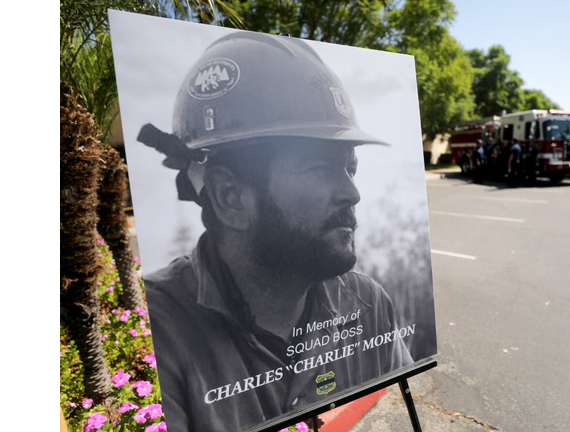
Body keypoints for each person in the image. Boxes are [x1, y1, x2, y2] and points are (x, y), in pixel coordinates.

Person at [136, 31, 413, 431]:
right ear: (231, 197)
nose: (351, 193)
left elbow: (390, 415)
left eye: (349, 167)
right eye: (319, 169)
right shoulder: (163, 331)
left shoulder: (368, 304)